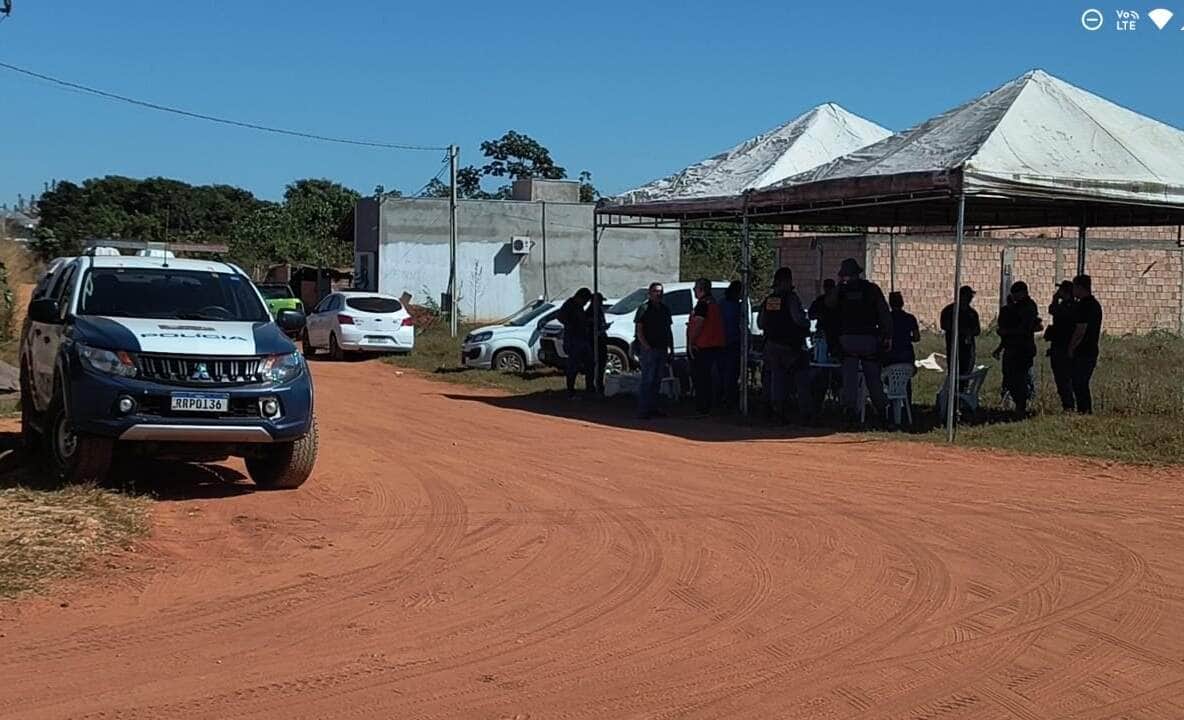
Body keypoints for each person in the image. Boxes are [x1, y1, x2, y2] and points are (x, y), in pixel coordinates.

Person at [826, 258, 892, 423]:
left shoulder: (841, 290)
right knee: (873, 377)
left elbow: (828, 305)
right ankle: (882, 411)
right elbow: (884, 314)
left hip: (847, 340)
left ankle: (850, 411)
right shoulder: (871, 289)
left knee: (849, 378)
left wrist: (838, 285)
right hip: (869, 339)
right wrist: (887, 335)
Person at [758, 267, 812, 423]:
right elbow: (798, 319)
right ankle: (805, 412)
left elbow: (760, 323)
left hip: (771, 344)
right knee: (801, 376)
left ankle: (774, 410)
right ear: (787, 281)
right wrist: (806, 324)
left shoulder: (769, 300)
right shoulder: (791, 298)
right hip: (789, 345)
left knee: (774, 378)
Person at [993, 281, 1043, 417]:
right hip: (1013, 348)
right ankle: (1014, 404)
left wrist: (1007, 331)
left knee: (1020, 379)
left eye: (1016, 294)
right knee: (1010, 377)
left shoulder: (1028, 307)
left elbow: (1024, 329)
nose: (1014, 297)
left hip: (1022, 349)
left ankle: (1021, 406)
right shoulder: (1017, 307)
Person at [634, 282, 674, 419]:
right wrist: (646, 346)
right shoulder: (644, 309)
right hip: (649, 349)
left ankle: (653, 408)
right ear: (650, 293)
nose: (659, 294)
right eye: (656, 291)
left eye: (660, 291)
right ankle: (643, 409)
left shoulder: (665, 309)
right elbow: (639, 329)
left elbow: (669, 330)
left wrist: (671, 348)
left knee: (657, 380)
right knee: (647, 380)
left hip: (662, 348)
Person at [686, 279, 726, 415]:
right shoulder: (714, 303)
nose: (694, 290)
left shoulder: (703, 305)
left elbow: (698, 324)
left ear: (701, 289)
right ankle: (710, 406)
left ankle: (702, 408)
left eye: (695, 288)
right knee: (711, 378)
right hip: (715, 345)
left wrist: (691, 342)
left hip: (703, 346)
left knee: (702, 379)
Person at [1067, 274, 1103, 414]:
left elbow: (1080, 330)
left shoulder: (1085, 306)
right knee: (1080, 383)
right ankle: (1084, 411)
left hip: (1083, 350)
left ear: (1080, 287)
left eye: (1074, 287)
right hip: (1091, 349)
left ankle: (1085, 412)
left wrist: (1071, 347)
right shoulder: (1094, 305)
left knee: (1079, 383)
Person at [940, 285, 981, 388]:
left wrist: (970, 332)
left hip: (968, 349)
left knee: (966, 373)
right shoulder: (949, 311)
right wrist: (960, 331)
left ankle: (963, 392)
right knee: (954, 372)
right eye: (968, 296)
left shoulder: (972, 313)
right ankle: (953, 394)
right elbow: (945, 325)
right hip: (954, 347)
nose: (970, 299)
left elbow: (977, 330)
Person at [884, 291, 921, 406]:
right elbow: (916, 337)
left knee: (889, 379)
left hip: (890, 357)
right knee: (905, 382)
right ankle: (907, 404)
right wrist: (905, 337)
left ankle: (891, 404)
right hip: (906, 357)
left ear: (890, 303)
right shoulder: (910, 318)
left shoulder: (886, 318)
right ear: (902, 303)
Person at [1045, 280, 1077, 411]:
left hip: (1063, 346)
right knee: (1063, 378)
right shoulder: (1068, 305)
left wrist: (1054, 298)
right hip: (1060, 345)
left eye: (1060, 291)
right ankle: (1068, 404)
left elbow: (1052, 310)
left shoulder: (1068, 306)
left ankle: (1068, 406)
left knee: (1063, 378)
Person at [558, 288, 593, 399]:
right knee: (573, 366)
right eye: (585, 300)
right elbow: (560, 317)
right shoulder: (569, 304)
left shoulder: (579, 307)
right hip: (573, 340)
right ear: (579, 297)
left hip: (582, 338)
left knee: (590, 363)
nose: (585, 303)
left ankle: (589, 388)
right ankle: (570, 391)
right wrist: (571, 325)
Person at [717, 280, 744, 410]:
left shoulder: (722, 303)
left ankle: (723, 396)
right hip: (732, 341)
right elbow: (741, 324)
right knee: (731, 372)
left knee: (724, 371)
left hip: (723, 342)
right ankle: (729, 398)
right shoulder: (736, 306)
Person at [809, 279, 838, 360]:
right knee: (821, 358)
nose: (828, 289)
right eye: (826, 287)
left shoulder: (838, 301)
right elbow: (811, 315)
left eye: (830, 287)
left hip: (834, 334)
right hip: (823, 332)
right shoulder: (820, 300)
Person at [587, 293, 610, 395]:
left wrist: (604, 327)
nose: (600, 303)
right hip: (592, 341)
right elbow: (588, 327)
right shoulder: (589, 312)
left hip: (601, 340)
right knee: (592, 365)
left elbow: (602, 323)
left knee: (601, 364)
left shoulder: (600, 311)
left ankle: (600, 384)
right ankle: (590, 386)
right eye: (599, 301)